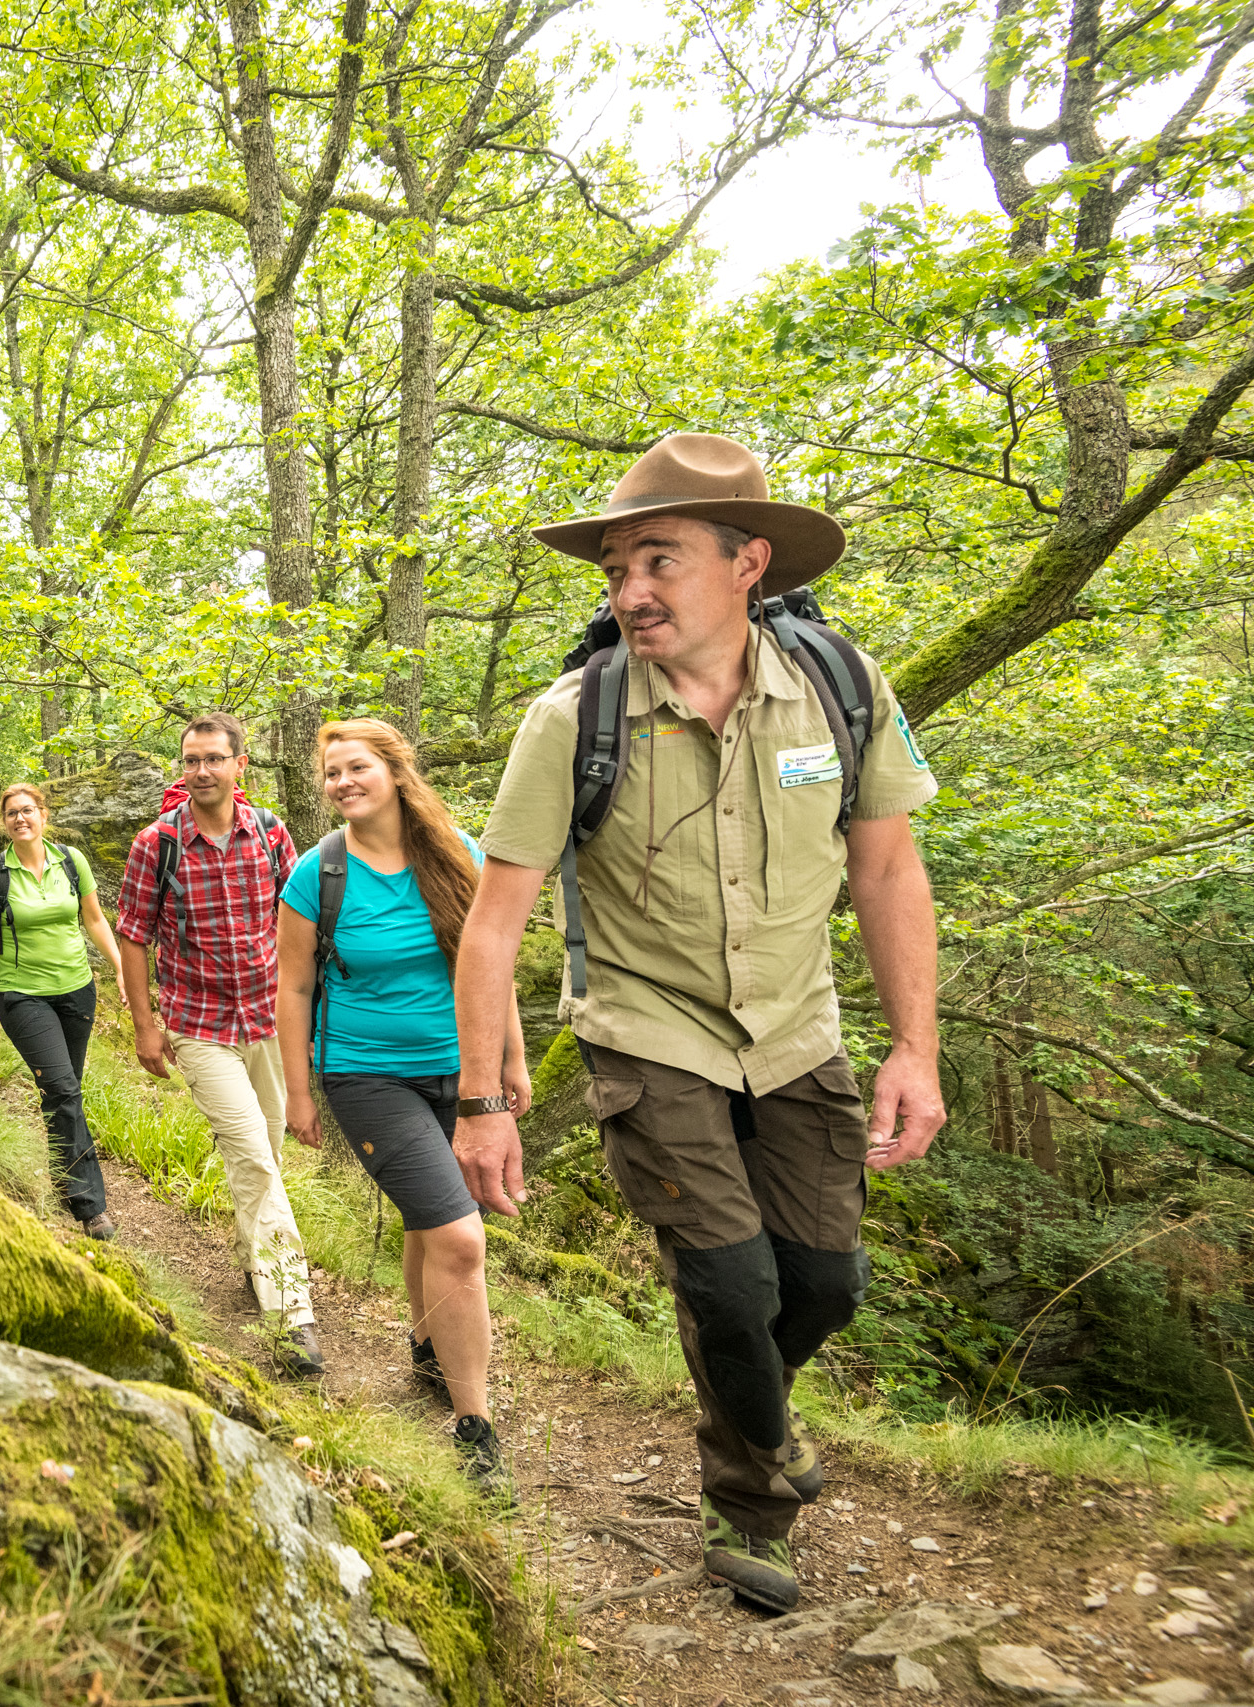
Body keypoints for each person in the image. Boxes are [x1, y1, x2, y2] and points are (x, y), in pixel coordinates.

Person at [450, 433, 945, 1611]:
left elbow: (885, 873)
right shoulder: (572, 717)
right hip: (647, 1033)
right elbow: (492, 922)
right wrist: (480, 1102)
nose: (629, 591)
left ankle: (756, 1411)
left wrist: (913, 1050)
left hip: (798, 1033)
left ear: (748, 564)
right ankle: (752, 1504)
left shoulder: (840, 689)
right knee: (728, 1286)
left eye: (658, 561)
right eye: (617, 568)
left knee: (821, 1285)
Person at [276, 719, 524, 1496]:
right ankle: (474, 1425)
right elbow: (292, 988)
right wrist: (296, 1090)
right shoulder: (319, 873)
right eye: (331, 773)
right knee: (459, 1234)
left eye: (357, 767)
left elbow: (492, 961)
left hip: (462, 1068)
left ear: (395, 770)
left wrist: (511, 1061)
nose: (342, 782)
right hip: (366, 1074)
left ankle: (426, 1344)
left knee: (431, 1220)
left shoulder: (457, 851)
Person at [113, 712, 321, 1376]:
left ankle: (255, 1264)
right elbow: (133, 935)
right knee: (254, 1158)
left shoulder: (272, 834)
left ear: (240, 763)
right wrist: (145, 1025)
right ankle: (293, 1317)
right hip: (199, 1025)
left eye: (212, 758)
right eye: (190, 759)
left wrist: (317, 1009)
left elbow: (301, 920)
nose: (200, 770)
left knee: (267, 1157)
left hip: (269, 1018)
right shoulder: (158, 844)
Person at [0, 783, 127, 1240]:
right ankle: (90, 1206)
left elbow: (94, 919)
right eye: (12, 813)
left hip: (77, 990)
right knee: (62, 1089)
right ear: (4, 823)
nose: (20, 819)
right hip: (21, 994)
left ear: (43, 814)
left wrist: (120, 970)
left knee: (63, 1091)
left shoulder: (71, 861)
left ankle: (64, 1177)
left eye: (28, 810)